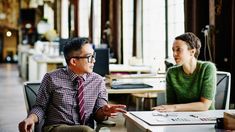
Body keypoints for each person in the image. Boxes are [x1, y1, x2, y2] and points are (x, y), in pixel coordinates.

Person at [18, 37, 126, 132]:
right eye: (89, 57)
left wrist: (104, 112)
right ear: (73, 61)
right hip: (56, 128)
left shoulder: (98, 81)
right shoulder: (51, 78)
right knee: (86, 130)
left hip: (85, 128)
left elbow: (98, 114)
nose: (94, 60)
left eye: (94, 56)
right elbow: (40, 107)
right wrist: (30, 119)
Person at [152, 32, 217, 112]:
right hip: (180, 118)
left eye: (178, 49)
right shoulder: (171, 73)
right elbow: (171, 105)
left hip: (205, 119)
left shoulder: (207, 68)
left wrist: (175, 108)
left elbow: (204, 105)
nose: (174, 54)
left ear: (192, 52)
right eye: (173, 50)